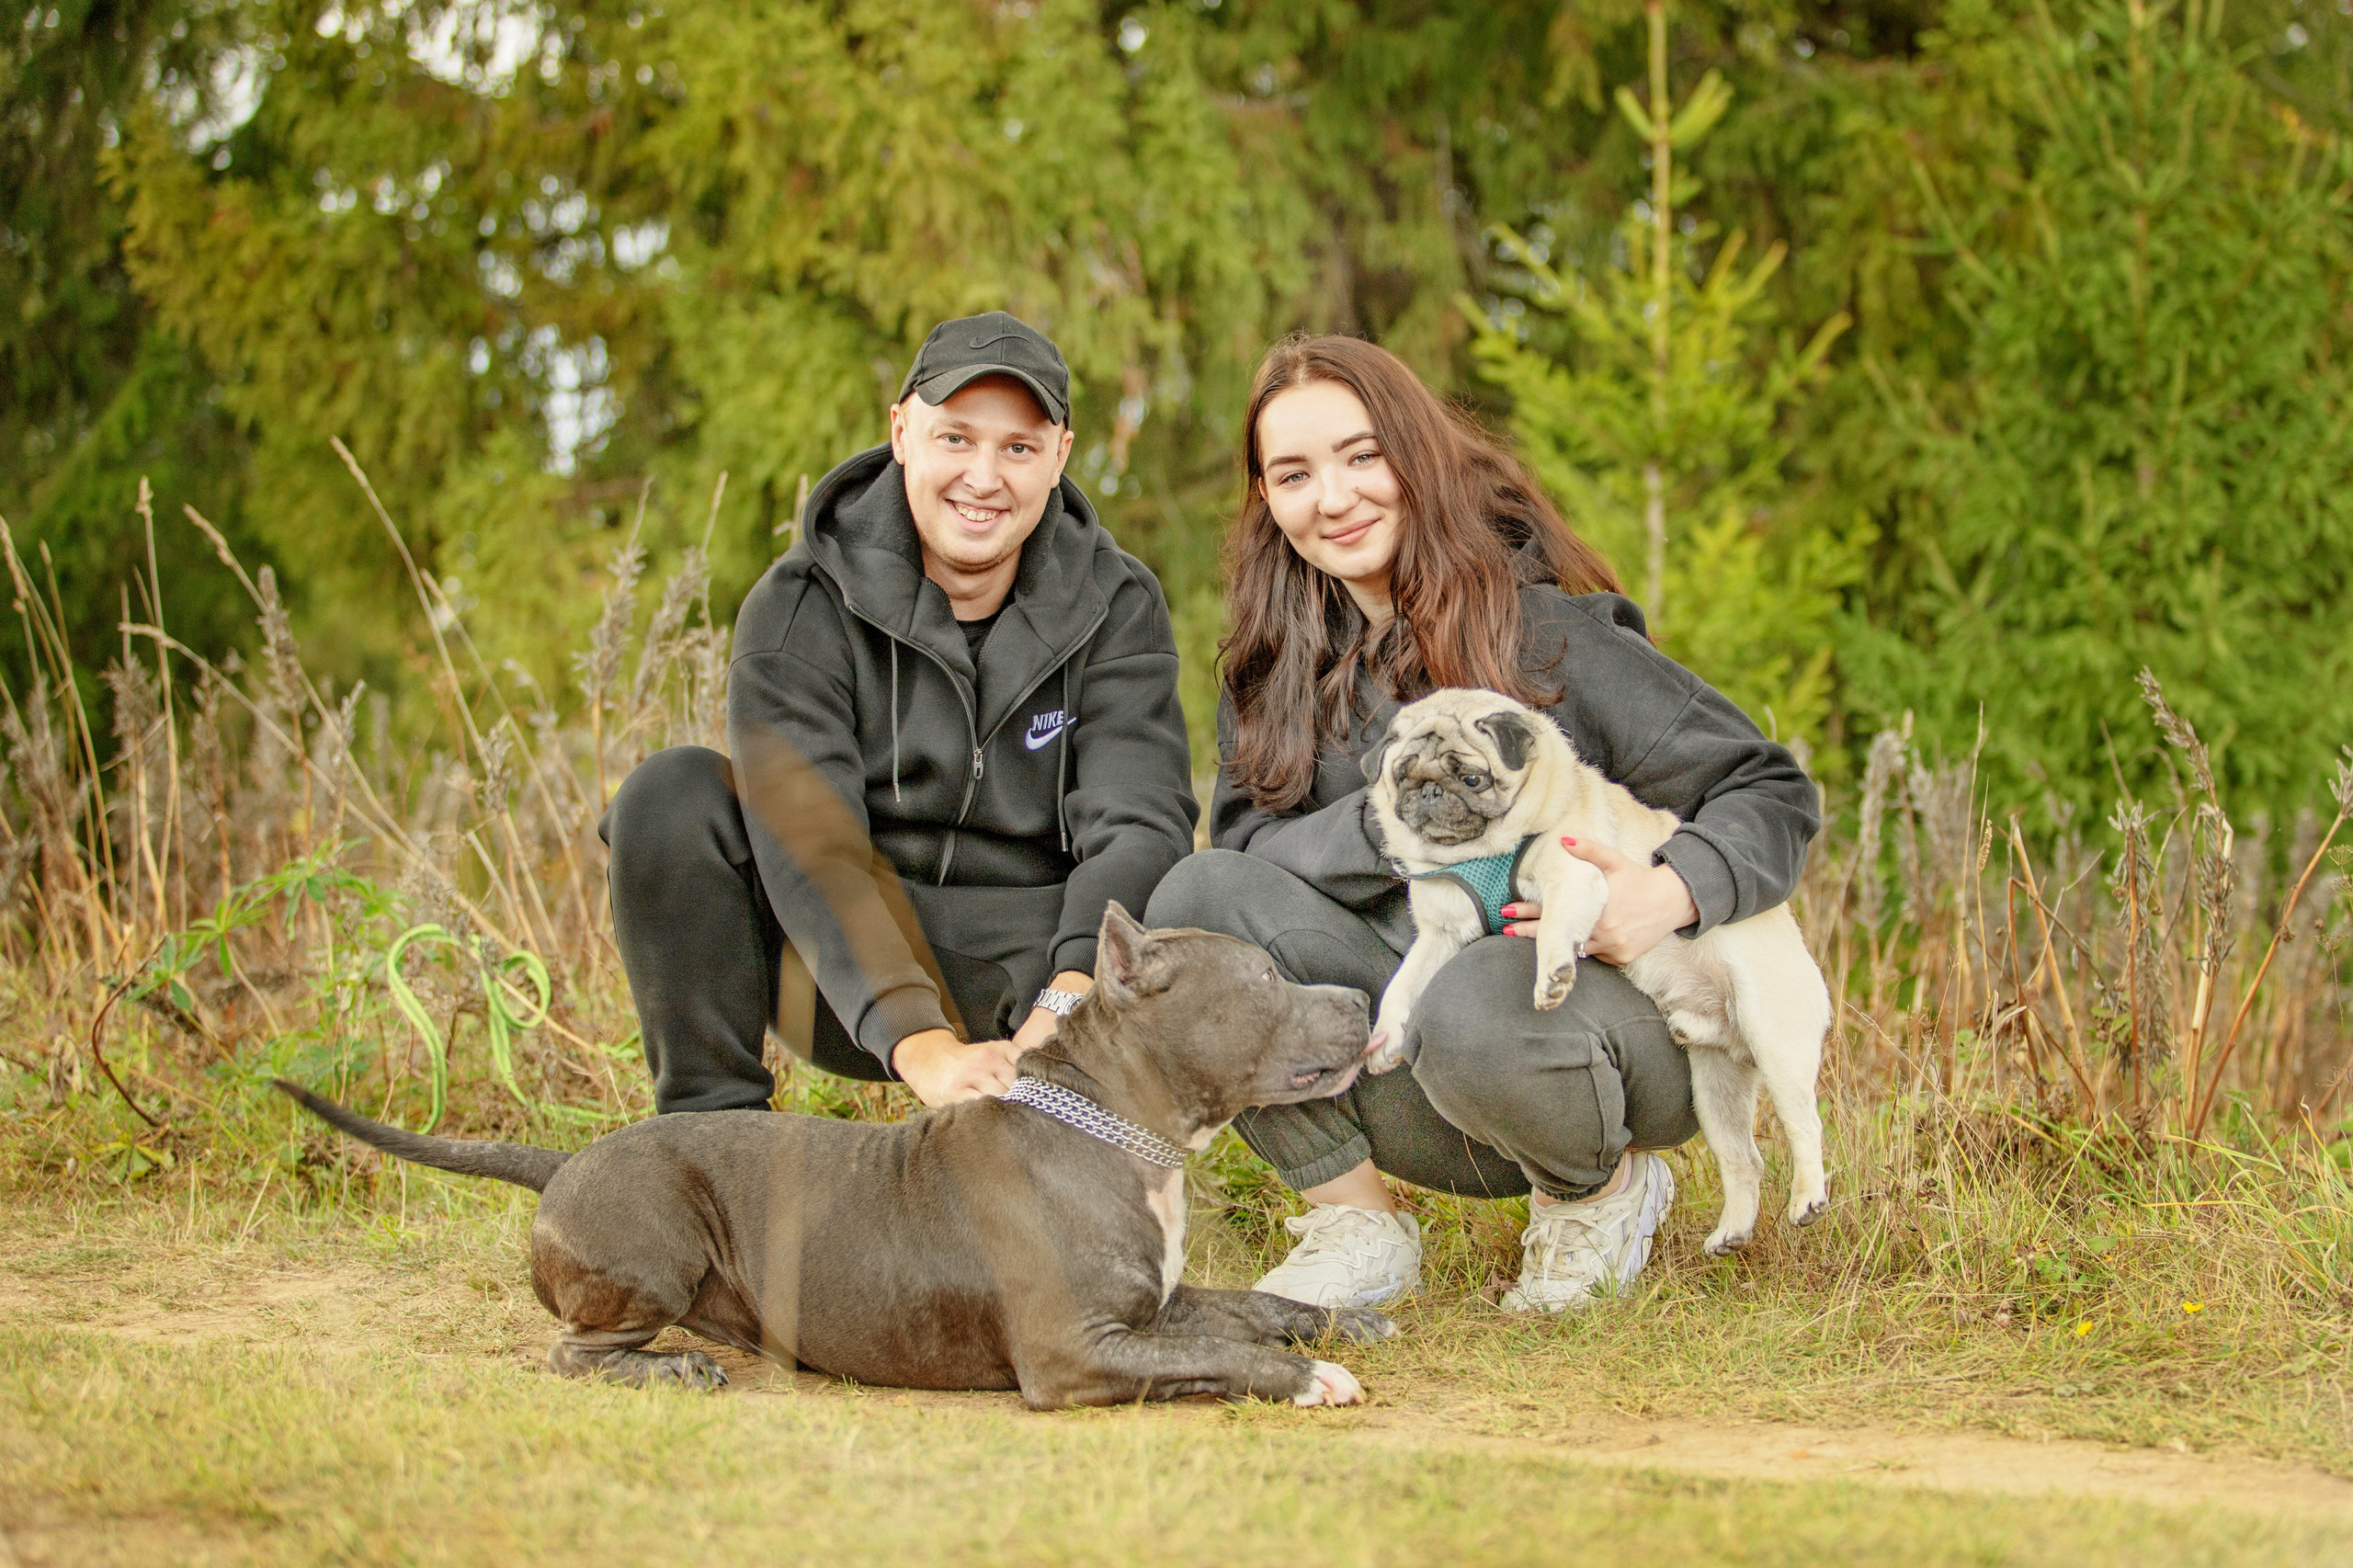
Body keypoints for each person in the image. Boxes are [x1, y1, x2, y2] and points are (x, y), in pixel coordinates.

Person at [1144, 335, 1818, 1312]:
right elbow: (1246, 852)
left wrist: (1669, 891)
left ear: (1416, 453)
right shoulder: (1273, 671)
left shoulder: (1547, 634)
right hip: (1413, 1056)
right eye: (1293, 474)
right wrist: (1394, 828)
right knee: (1192, 904)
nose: (1332, 497)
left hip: (1598, 1045)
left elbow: (1768, 788)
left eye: (1362, 455)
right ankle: (1356, 1223)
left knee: (1469, 996)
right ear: (1266, 498)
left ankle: (1599, 1196)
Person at [604, 312, 1198, 1111]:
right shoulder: (797, 606)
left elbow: (1139, 823)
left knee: (1193, 889)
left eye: (1018, 449)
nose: (983, 477)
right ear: (901, 433)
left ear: (1059, 456)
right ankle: (714, 1131)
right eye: (956, 438)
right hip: (834, 966)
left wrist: (1067, 1008)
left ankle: (1071, 1121)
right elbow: (814, 844)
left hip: (1033, 967)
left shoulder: (1118, 603)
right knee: (670, 794)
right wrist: (921, 1043)